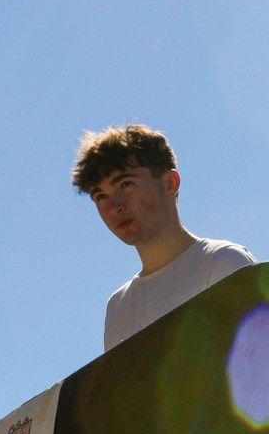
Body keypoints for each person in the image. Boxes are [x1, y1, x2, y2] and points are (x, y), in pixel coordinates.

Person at [73, 124, 255, 353]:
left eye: (126, 184)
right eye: (100, 196)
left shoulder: (222, 262)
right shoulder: (118, 306)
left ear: (170, 183)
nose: (114, 206)